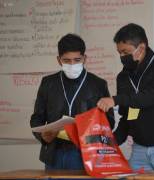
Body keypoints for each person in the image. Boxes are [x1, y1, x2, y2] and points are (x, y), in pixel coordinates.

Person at [97, 23, 154, 171]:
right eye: (119, 52)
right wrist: (108, 142)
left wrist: (115, 99)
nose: (122, 57)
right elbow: (126, 116)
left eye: (125, 52)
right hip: (139, 149)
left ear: (142, 47)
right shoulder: (123, 77)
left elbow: (153, 96)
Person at [30, 33, 115, 170]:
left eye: (77, 60)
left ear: (84, 58)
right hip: (54, 153)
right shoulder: (48, 83)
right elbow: (37, 118)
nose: (72, 64)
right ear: (59, 60)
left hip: (86, 154)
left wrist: (88, 127)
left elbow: (110, 122)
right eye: (67, 60)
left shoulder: (98, 84)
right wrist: (42, 136)